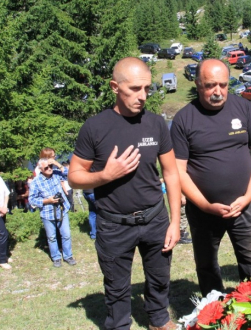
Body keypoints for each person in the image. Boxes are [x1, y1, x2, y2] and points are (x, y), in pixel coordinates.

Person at [68, 57, 181, 330]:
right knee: (117, 288)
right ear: (114, 87)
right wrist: (105, 175)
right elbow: (74, 177)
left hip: (155, 218)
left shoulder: (155, 124)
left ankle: (159, 320)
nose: (142, 96)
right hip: (114, 224)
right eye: (134, 89)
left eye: (147, 89)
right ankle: (119, 326)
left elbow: (171, 173)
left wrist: (175, 222)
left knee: (159, 278)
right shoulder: (95, 127)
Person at [170, 58, 251, 297]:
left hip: (243, 207)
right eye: (211, 85)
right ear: (198, 84)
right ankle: (213, 310)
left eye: (223, 85)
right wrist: (204, 205)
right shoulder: (184, 119)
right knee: (206, 266)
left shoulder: (243, 108)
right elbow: (177, 171)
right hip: (203, 212)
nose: (218, 91)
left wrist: (248, 196)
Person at [29, 158, 77, 268]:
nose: (49, 169)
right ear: (40, 169)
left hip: (62, 209)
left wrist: (56, 163)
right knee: (51, 237)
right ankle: (56, 258)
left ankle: (68, 256)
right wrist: (47, 201)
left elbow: (70, 174)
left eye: (50, 166)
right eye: (46, 168)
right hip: (47, 213)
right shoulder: (36, 182)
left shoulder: (56, 174)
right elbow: (32, 200)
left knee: (66, 234)